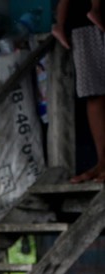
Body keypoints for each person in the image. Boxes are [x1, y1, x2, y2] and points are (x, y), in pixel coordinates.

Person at [53, 0, 105, 182]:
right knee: (94, 93)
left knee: (94, 94)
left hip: (81, 23)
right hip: (85, 22)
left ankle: (102, 163)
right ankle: (102, 163)